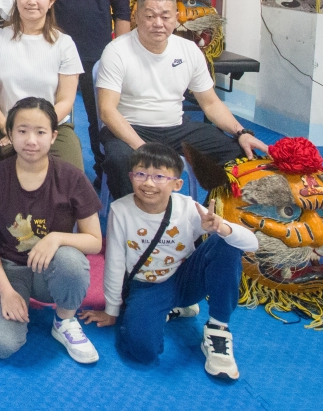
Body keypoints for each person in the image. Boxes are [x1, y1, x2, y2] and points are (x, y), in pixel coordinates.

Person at [80, 142, 258, 380]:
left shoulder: (189, 208)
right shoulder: (120, 210)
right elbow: (114, 262)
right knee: (142, 351)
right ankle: (173, 309)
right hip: (148, 286)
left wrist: (221, 227)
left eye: (159, 176)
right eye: (141, 174)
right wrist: (111, 310)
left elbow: (251, 244)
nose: (149, 183)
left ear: (177, 184)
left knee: (226, 242)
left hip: (185, 279)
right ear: (131, 177)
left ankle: (218, 328)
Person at [95, 0, 270, 200]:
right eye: (149, 16)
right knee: (121, 160)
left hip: (176, 128)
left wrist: (241, 133)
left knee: (239, 154)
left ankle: (211, 212)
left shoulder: (188, 50)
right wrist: (144, 149)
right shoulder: (117, 51)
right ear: (137, 16)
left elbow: (211, 103)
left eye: (165, 16)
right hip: (130, 127)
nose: (158, 23)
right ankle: (136, 217)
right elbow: (107, 110)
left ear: (176, 18)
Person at [0, 98, 103, 364]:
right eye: (22, 131)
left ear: (53, 136)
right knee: (2, 345)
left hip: (50, 272)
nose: (31, 140)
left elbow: (95, 241)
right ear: (10, 135)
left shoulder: (72, 178)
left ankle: (64, 321)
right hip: (9, 269)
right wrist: (6, 291)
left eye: (40, 132)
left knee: (70, 259)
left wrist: (56, 238)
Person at [40, 0, 131, 168]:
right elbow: (40, 9)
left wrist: (122, 53)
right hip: (54, 52)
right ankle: (48, 167)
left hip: (98, 54)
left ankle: (104, 169)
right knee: (51, 112)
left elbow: (122, 14)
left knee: (100, 116)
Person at [0, 0, 84, 170]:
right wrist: (9, 127)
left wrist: (37, 129)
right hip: (4, 126)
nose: (32, 1)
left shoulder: (64, 44)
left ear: (51, 2)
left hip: (53, 126)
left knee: (71, 173)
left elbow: (66, 100)